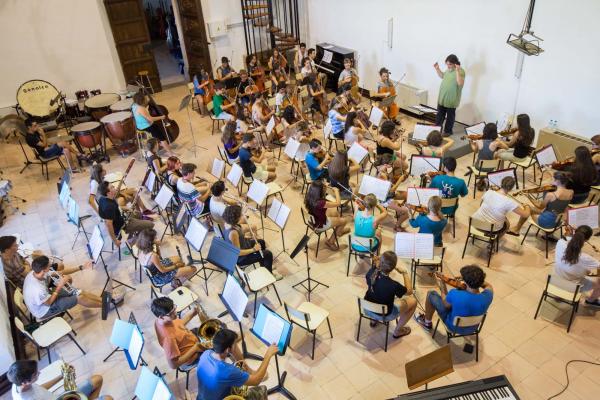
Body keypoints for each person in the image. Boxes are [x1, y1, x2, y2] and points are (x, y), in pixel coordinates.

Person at [196, 328, 278, 400]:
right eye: (234, 344)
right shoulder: (228, 372)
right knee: (262, 389)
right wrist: (268, 355)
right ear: (228, 350)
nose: (236, 345)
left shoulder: (206, 354)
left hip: (201, 397)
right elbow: (256, 381)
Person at [415, 264, 493, 333]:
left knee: (431, 294)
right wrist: (475, 279)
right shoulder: (488, 295)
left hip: (454, 327)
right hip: (473, 327)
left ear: (466, 282)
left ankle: (427, 323)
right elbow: (488, 285)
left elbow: (446, 305)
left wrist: (442, 285)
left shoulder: (456, 293)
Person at [23, 255, 102, 320]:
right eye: (49, 266)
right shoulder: (37, 289)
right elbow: (48, 303)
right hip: (44, 310)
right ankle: (105, 305)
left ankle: (104, 300)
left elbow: (60, 272)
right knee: (79, 298)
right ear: (43, 270)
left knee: (77, 291)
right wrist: (60, 286)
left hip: (46, 297)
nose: (50, 267)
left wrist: (81, 267)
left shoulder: (36, 272)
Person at [364, 251, 417, 339]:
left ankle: (373, 320)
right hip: (384, 313)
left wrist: (375, 264)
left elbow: (375, 270)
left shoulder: (371, 273)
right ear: (392, 268)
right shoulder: (393, 285)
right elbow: (409, 291)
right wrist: (404, 273)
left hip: (368, 308)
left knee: (376, 293)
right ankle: (398, 331)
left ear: (380, 263)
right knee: (413, 302)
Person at [222, 205, 281, 279]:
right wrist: (254, 249)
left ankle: (265, 266)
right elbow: (238, 252)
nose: (242, 216)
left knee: (261, 242)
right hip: (241, 258)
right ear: (236, 218)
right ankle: (270, 275)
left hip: (244, 245)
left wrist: (247, 236)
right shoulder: (233, 233)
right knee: (268, 254)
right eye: (240, 215)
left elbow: (239, 236)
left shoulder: (228, 223)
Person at [8, 359, 112, 400]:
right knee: (108, 399)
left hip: (58, 398)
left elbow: (39, 388)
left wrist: (61, 376)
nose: (39, 373)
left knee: (97, 379)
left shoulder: (17, 383)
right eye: (36, 374)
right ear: (25, 382)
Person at [97, 181, 154, 247]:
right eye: (112, 187)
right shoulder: (109, 207)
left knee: (139, 214)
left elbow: (113, 209)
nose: (115, 187)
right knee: (150, 224)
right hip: (123, 226)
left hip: (122, 217)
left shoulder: (102, 198)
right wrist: (115, 241)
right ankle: (133, 241)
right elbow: (109, 225)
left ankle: (135, 234)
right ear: (109, 193)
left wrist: (128, 208)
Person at [554, 225, 600, 306]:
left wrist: (572, 233)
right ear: (587, 239)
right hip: (572, 288)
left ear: (575, 233)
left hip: (555, 281)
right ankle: (591, 301)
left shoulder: (560, 242)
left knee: (569, 270)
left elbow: (566, 236)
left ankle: (559, 295)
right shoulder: (586, 258)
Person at [89, 162, 153, 216]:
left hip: (112, 195)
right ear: (99, 173)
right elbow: (90, 201)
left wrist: (124, 194)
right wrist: (99, 213)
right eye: (103, 170)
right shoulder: (94, 183)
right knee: (129, 197)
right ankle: (140, 215)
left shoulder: (101, 178)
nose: (105, 170)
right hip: (109, 200)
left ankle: (143, 212)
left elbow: (112, 191)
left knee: (135, 192)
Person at [304, 181, 352, 250]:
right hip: (320, 224)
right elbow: (338, 203)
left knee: (335, 213)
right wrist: (336, 191)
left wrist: (323, 186)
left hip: (313, 220)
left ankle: (339, 230)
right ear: (320, 191)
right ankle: (331, 242)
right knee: (344, 221)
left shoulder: (309, 197)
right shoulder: (321, 203)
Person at [433, 54, 465, 137]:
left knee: (450, 117)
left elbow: (460, 83)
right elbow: (442, 76)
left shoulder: (461, 71)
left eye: (450, 64)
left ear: (455, 63)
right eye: (447, 64)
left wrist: (457, 70)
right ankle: (437, 129)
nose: (448, 66)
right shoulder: (448, 70)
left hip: (452, 99)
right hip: (443, 98)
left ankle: (448, 131)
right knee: (440, 114)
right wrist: (437, 69)